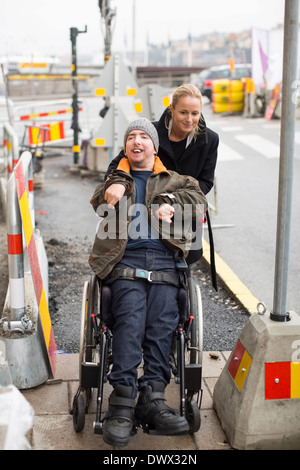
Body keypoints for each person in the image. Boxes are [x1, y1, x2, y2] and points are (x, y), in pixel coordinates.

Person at [89, 118, 208, 447]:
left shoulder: (176, 180)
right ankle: (122, 402)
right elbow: (99, 206)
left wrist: (171, 202)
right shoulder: (117, 180)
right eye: (131, 137)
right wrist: (110, 189)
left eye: (144, 136)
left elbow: (199, 200)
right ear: (126, 147)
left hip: (165, 263)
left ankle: (153, 397)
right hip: (125, 261)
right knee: (131, 320)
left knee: (161, 324)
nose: (136, 141)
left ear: (155, 146)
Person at [104, 83, 219, 273]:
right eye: (183, 112)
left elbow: (206, 182)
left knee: (185, 259)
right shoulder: (149, 133)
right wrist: (118, 182)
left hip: (183, 209)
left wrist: (174, 200)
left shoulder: (210, 140)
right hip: (145, 209)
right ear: (172, 109)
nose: (189, 119)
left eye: (194, 113)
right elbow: (118, 163)